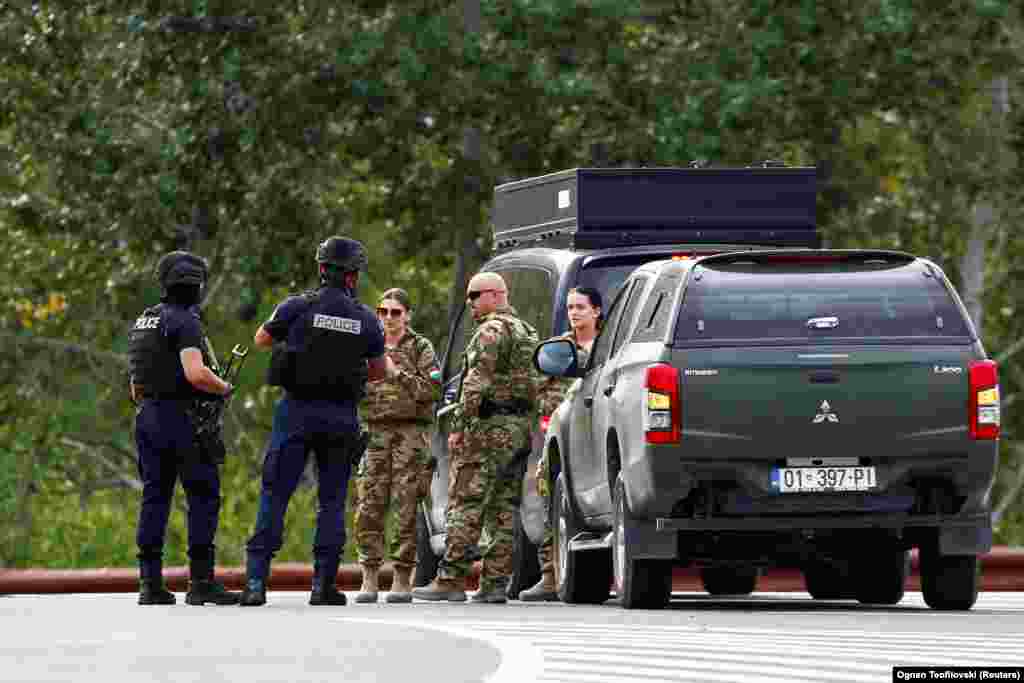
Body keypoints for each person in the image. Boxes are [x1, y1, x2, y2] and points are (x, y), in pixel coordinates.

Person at [240, 236, 391, 607]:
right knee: (332, 502)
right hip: (340, 416)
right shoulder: (366, 319)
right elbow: (380, 371)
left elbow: (261, 339)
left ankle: (256, 583)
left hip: (296, 412)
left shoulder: (295, 306)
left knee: (275, 495)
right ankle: (323, 586)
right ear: (354, 276)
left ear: (322, 269)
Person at [412, 272, 538, 603]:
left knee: (466, 501)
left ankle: (451, 579)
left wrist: (459, 427)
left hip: (487, 428)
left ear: (496, 295)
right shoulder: (527, 331)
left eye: (474, 295)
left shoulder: (491, 330)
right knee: (504, 506)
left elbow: (475, 382)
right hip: (518, 428)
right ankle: (495, 584)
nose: (469, 303)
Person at [127, 250, 240, 606]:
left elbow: (136, 386)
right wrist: (224, 388)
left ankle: (149, 583)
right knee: (203, 496)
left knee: (154, 497)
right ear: (197, 286)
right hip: (183, 420)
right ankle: (201, 582)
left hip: (147, 416)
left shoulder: (143, 322)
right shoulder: (185, 321)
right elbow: (195, 373)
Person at [354, 288, 441, 604]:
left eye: (395, 312)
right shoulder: (367, 345)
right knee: (369, 504)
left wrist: (397, 373)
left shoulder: (420, 347)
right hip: (374, 431)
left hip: (410, 433)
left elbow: (432, 389)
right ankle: (369, 574)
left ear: (407, 315)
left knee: (406, 504)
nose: (388, 318)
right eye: (383, 311)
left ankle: (403, 575)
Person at [520, 287, 603, 602]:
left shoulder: (607, 347)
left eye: (581, 307)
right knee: (547, 497)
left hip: (594, 431)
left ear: (596, 311)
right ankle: (550, 573)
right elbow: (538, 385)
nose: (574, 312)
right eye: (570, 307)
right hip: (557, 433)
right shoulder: (559, 348)